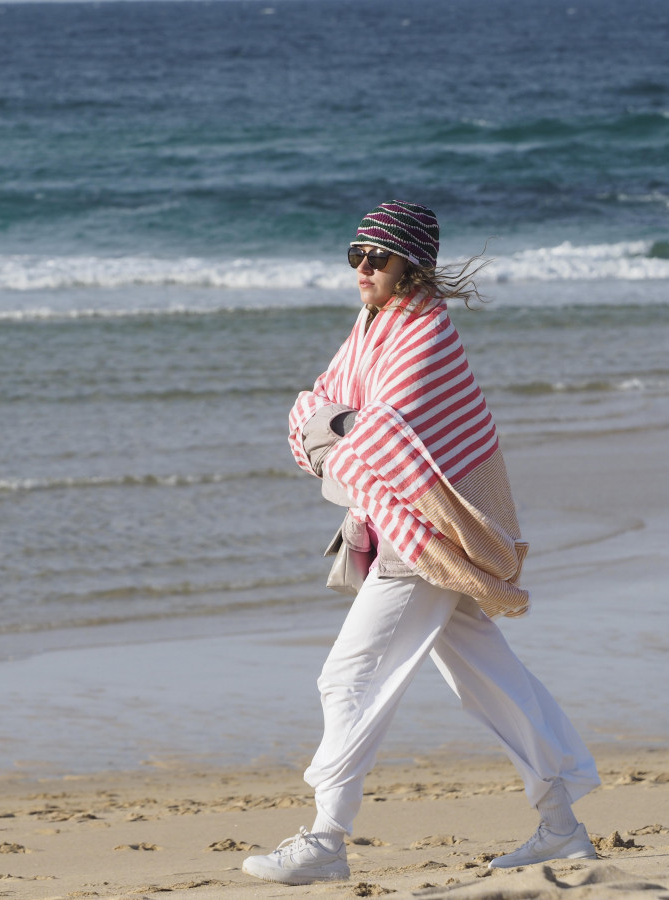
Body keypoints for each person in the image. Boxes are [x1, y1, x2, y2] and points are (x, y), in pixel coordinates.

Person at [241, 201, 601, 885]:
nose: (363, 268)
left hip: (426, 535)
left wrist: (335, 427)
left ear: (412, 263)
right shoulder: (373, 326)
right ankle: (561, 827)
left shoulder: (426, 333)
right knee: (491, 683)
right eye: (355, 254)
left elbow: (380, 434)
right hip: (410, 530)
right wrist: (336, 426)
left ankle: (326, 838)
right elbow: (314, 409)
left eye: (378, 256)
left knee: (347, 677)